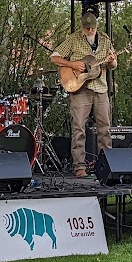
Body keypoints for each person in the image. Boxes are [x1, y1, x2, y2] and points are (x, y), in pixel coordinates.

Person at [50, 11, 117, 177]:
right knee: (78, 128)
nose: (90, 31)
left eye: (92, 28)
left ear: (96, 26)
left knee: (105, 128)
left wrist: (112, 61)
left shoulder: (105, 39)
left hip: (101, 88)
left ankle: (105, 164)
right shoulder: (73, 39)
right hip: (80, 90)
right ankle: (79, 166)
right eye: (87, 28)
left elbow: (113, 65)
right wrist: (72, 64)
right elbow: (54, 57)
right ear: (82, 28)